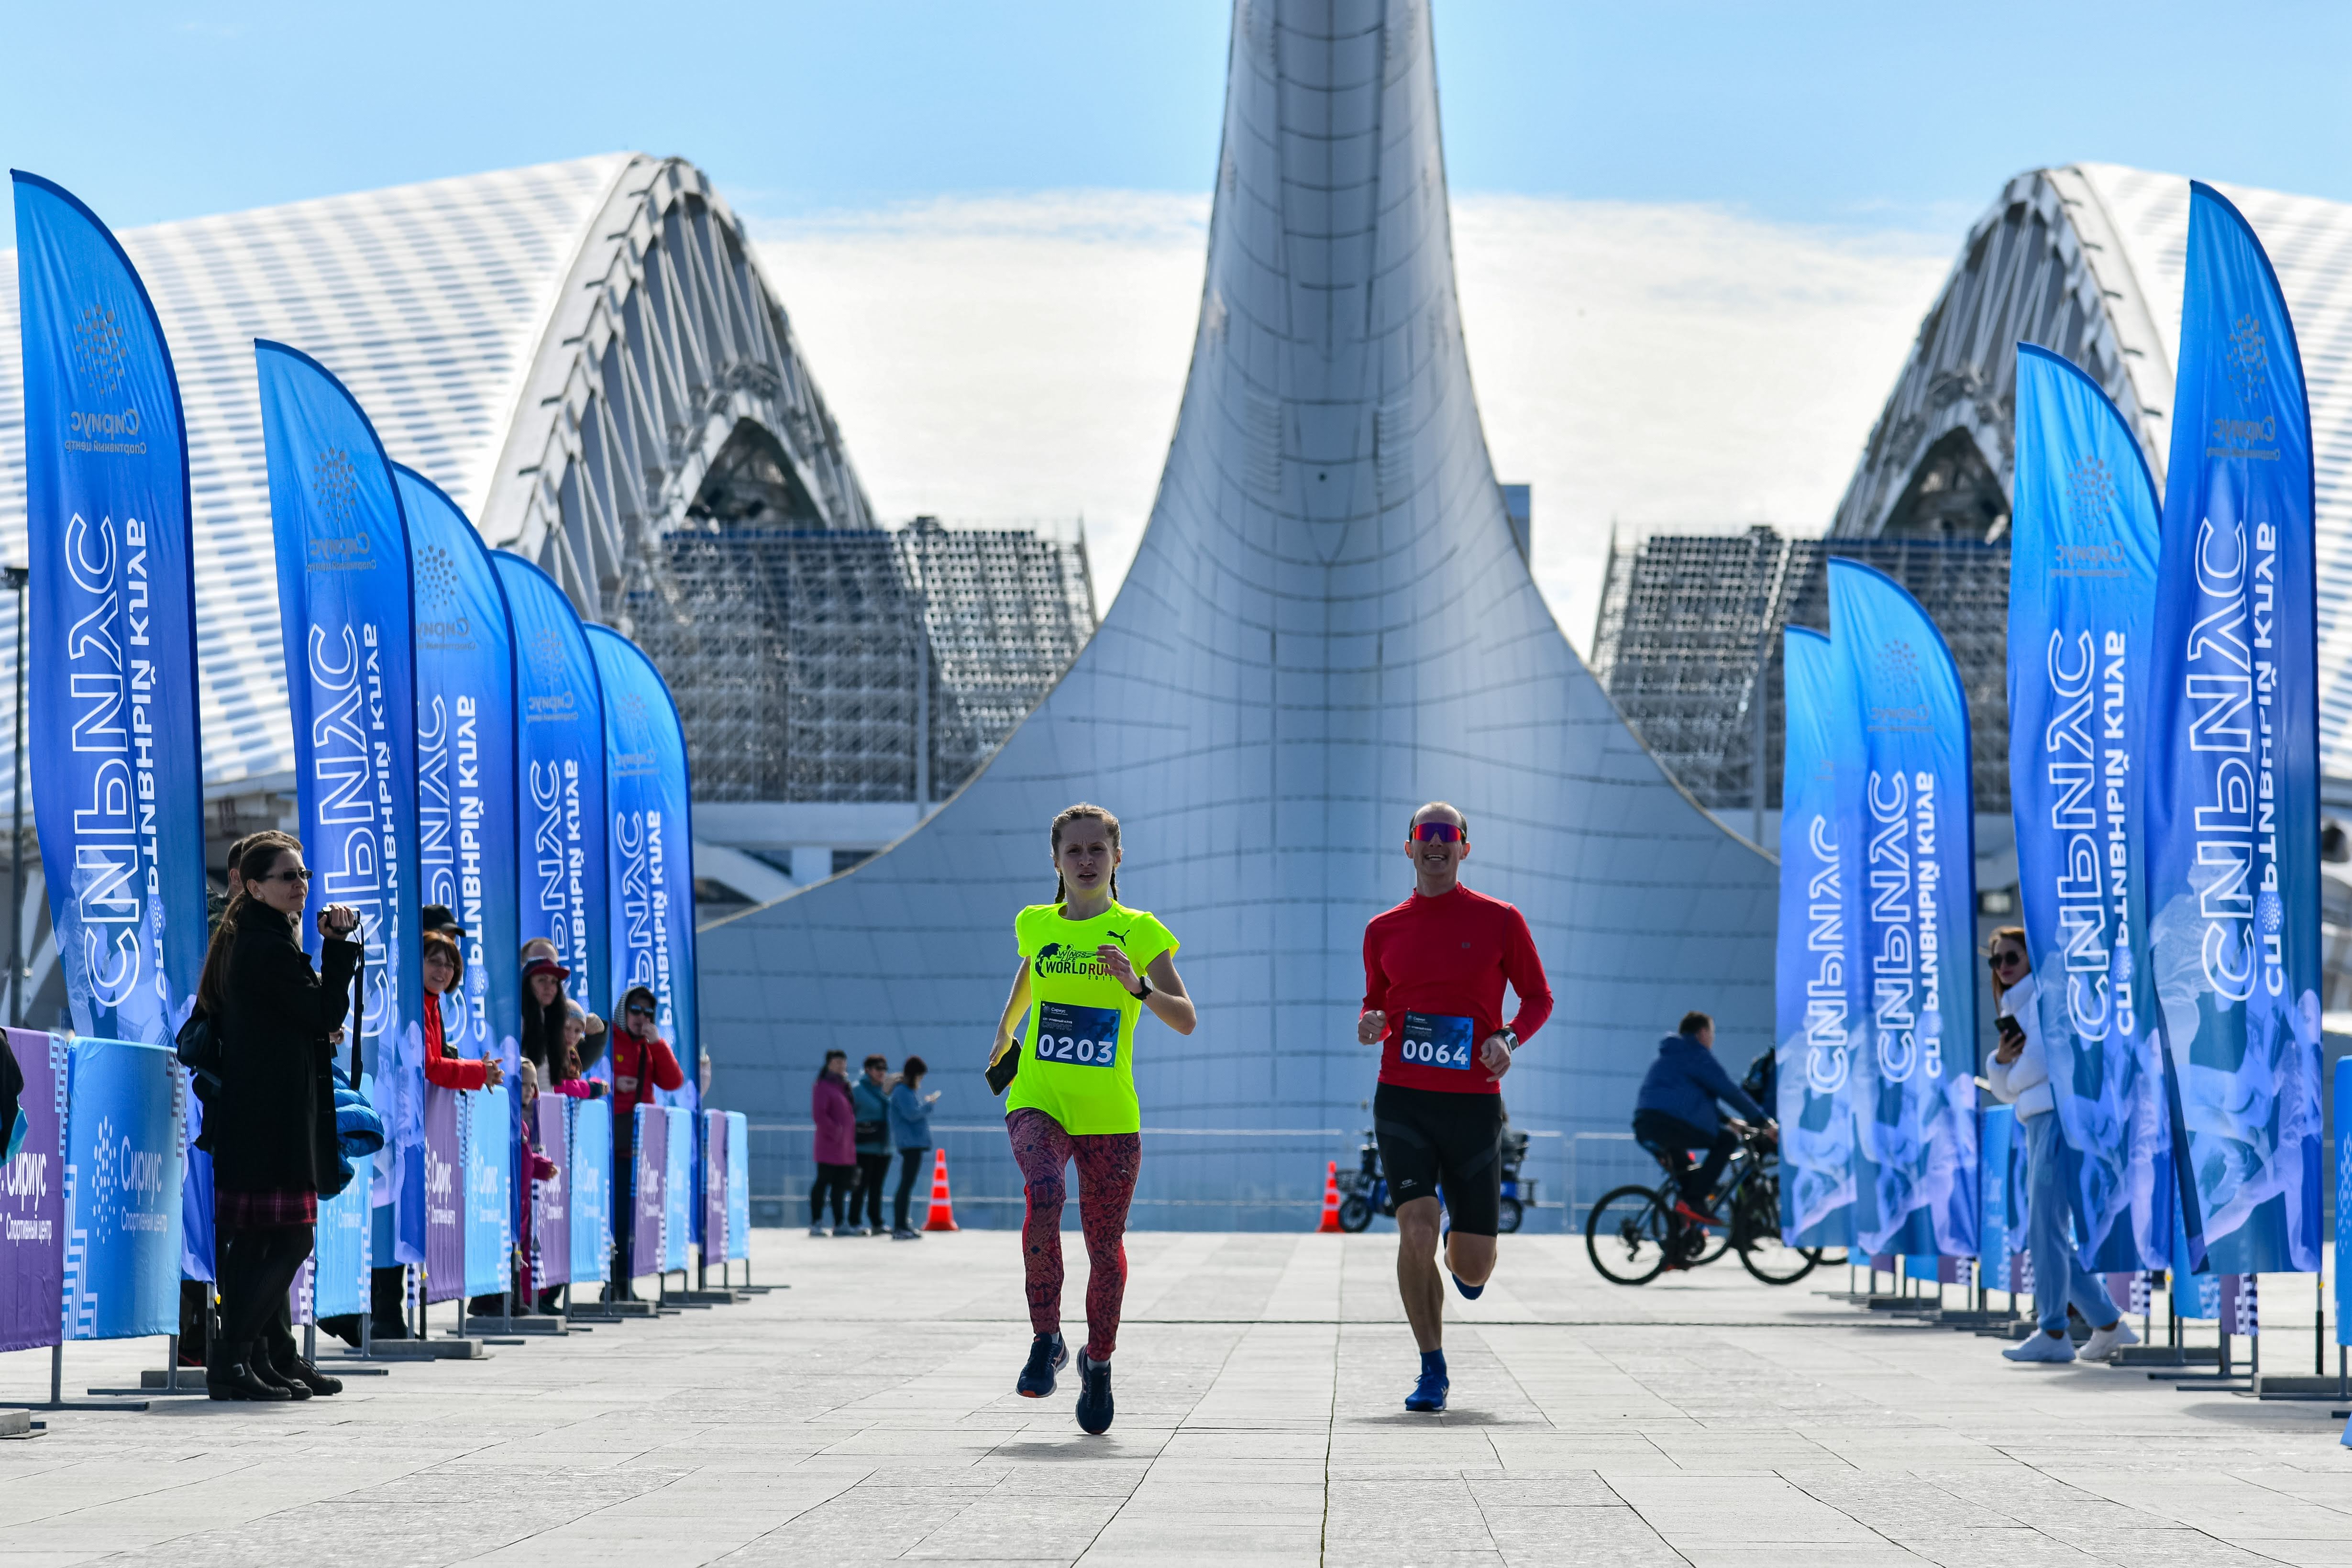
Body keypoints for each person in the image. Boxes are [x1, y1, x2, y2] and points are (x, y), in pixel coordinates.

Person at [988, 802, 1195, 1435]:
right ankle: (1045, 1336)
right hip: (1039, 1096)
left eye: (1096, 850)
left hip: (1109, 1113)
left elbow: (1185, 1015)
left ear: (1116, 857)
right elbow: (1031, 975)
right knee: (1043, 1192)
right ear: (1055, 859)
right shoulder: (1035, 924)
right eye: (1072, 850)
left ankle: (1098, 1361)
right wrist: (1004, 1030)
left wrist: (1136, 986)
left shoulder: (1140, 931)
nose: (1084, 861)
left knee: (1104, 1246)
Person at [1357, 802, 1552, 1415]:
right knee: (1414, 1226)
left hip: (1473, 1106)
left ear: (1465, 847)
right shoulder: (1383, 928)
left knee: (1473, 1269)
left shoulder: (1500, 919)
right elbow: (1377, 1003)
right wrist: (1371, 1022)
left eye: (1448, 835)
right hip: (1404, 1100)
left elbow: (1538, 998)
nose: (1436, 843)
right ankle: (1431, 1367)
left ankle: (1461, 1251)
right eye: (1426, 834)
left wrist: (1508, 1039)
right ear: (1408, 847)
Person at [198, 837, 358, 1401]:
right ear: (254, 885)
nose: (301, 883)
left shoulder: (264, 938)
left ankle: (257, 1358)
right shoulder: (264, 946)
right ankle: (234, 1357)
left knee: (268, 1242)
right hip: (267, 1118)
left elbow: (302, 1020)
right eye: (288, 875)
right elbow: (323, 1011)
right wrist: (337, 949)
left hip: (267, 1114)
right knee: (287, 1238)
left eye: (304, 872)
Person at [1986, 927, 2138, 1364]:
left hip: (2055, 1118)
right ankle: (2107, 1324)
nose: (2003, 967)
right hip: (2038, 1120)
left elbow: (2036, 1065)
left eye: (2011, 956)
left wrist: (2009, 1073)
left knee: (2044, 1228)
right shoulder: (2014, 1003)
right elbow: (2009, 1083)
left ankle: (2053, 1330)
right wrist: (1999, 1061)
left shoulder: (2042, 994)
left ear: (2030, 957)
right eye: (1996, 961)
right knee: (2045, 1230)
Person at [1631, 1011, 1772, 1224]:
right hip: (1667, 1124)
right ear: (1703, 1033)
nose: (1713, 1040)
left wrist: (1728, 1121)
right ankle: (1694, 1200)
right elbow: (1729, 1091)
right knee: (1726, 1141)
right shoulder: (1696, 1055)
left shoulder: (1672, 1056)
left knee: (1686, 1182)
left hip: (1646, 1124)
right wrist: (1764, 1122)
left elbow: (1690, 1102)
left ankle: (1678, 1247)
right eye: (1712, 1034)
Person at [607, 983, 685, 1295]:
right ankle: (614, 1283)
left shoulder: (649, 1046)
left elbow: (673, 1081)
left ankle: (625, 1283)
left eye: (648, 1013)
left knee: (638, 1217)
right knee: (620, 1216)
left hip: (643, 1143)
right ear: (624, 1012)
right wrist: (616, 1083)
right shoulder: (611, 1040)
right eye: (636, 1011)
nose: (642, 1018)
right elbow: (588, 1076)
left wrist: (659, 1045)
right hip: (616, 1141)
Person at [520, 947, 606, 1082]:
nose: (549, 987)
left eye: (554, 982)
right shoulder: (519, 1021)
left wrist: (600, 1034)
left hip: (548, 1101)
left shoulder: (551, 1022)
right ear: (527, 983)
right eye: (542, 980)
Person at [889, 1056, 940, 1239]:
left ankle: (903, 1224)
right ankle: (899, 1226)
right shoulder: (903, 1091)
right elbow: (912, 1114)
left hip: (913, 1144)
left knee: (907, 1184)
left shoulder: (905, 1091)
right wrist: (929, 1105)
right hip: (910, 1144)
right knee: (905, 1185)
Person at [810, 1049, 857, 1236]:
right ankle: (816, 1222)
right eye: (837, 1063)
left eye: (843, 1063)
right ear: (829, 1064)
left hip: (845, 1147)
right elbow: (820, 1114)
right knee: (823, 1182)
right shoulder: (823, 1086)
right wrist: (836, 1132)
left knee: (841, 1185)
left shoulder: (843, 1087)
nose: (841, 1066)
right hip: (829, 1145)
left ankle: (840, 1222)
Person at [849, 1055, 895, 1236]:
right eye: (877, 1068)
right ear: (867, 1069)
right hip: (864, 1147)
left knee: (877, 1187)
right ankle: (855, 1222)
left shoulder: (885, 1089)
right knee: (860, 1187)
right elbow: (848, 1116)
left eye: (884, 1068)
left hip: (883, 1147)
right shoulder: (857, 1090)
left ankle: (877, 1222)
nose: (882, 1072)